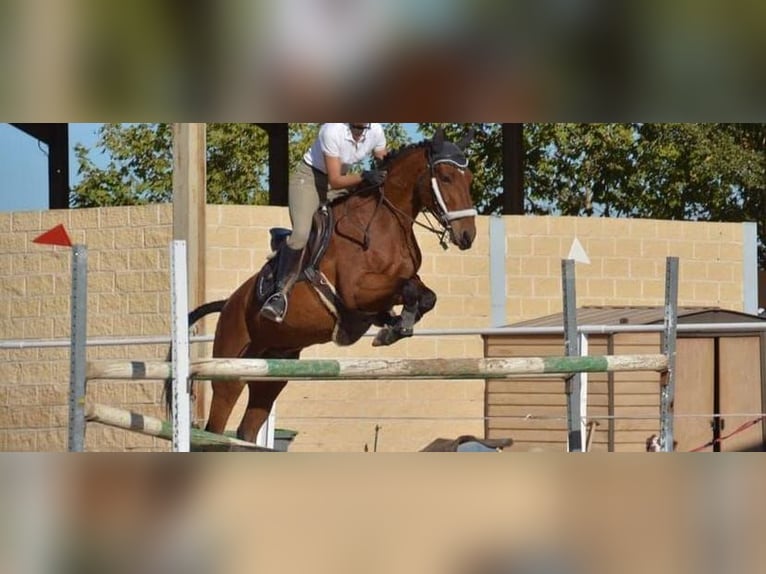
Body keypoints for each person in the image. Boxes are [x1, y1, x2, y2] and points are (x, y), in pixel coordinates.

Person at [260, 123, 389, 323]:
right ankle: (279, 294)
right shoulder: (332, 130)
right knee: (301, 235)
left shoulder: (376, 131)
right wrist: (364, 176)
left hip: (341, 182)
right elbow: (336, 180)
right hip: (309, 180)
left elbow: (385, 165)